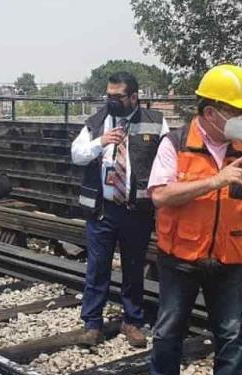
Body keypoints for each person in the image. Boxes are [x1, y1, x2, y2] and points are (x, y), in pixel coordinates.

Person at [137, 65, 242, 375]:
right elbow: (161, 195)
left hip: (229, 258)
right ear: (211, 112)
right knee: (168, 331)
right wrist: (214, 180)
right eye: (236, 111)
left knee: (230, 334)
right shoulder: (177, 143)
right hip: (181, 257)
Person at [71, 72, 169, 347]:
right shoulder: (97, 121)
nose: (111, 101)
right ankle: (92, 324)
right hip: (103, 210)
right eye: (108, 96)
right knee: (97, 268)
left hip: (136, 209)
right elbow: (76, 155)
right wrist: (100, 143)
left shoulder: (155, 123)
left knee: (134, 268)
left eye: (117, 97)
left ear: (134, 97)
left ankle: (132, 321)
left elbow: (167, 161)